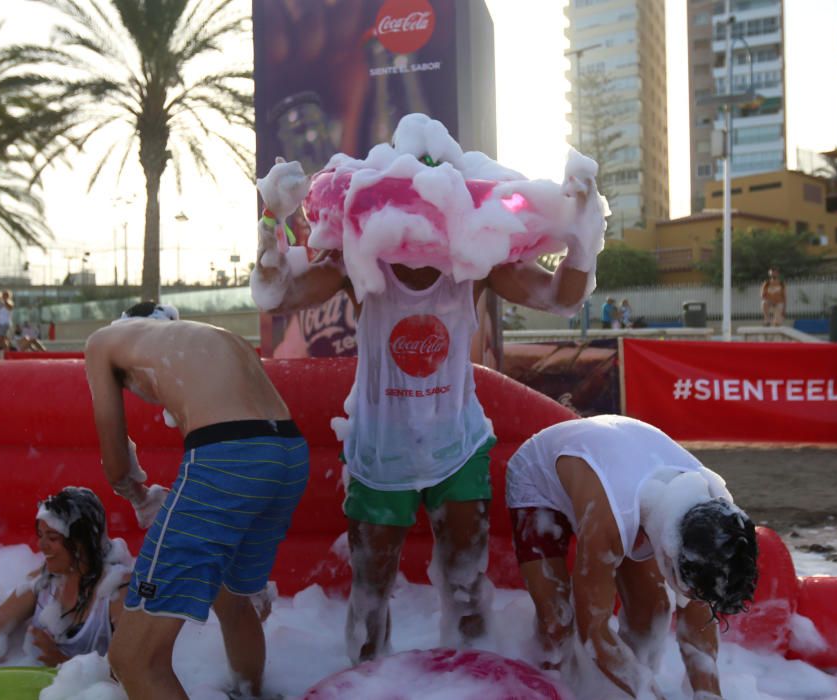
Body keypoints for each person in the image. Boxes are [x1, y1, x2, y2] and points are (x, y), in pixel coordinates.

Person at [251, 133, 604, 663]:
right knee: (370, 591)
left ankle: (470, 679)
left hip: (457, 444)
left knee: (466, 587)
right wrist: (272, 221)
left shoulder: (476, 261)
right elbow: (277, 294)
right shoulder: (358, 258)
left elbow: (561, 298)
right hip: (378, 449)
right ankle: (369, 682)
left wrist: (582, 231)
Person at [85, 301, 308, 700]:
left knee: (133, 659)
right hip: (290, 453)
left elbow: (116, 465)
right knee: (234, 600)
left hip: (229, 454)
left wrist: (138, 497)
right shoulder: (209, 336)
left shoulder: (104, 341)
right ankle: (250, 694)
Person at [506, 415, 758, 699]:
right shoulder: (610, 523)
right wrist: (648, 695)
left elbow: (699, 617)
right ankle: (554, 682)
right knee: (558, 623)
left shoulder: (718, 518)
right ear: (670, 550)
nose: (691, 596)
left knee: (654, 611)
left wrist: (709, 693)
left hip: (619, 468)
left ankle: (622, 684)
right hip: (540, 477)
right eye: (687, 586)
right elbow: (594, 632)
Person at [0, 487, 132, 667]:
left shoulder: (117, 590)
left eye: (52, 538)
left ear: (82, 541)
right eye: (41, 535)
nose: (41, 545)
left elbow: (134, 669)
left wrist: (60, 661)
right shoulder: (45, 581)